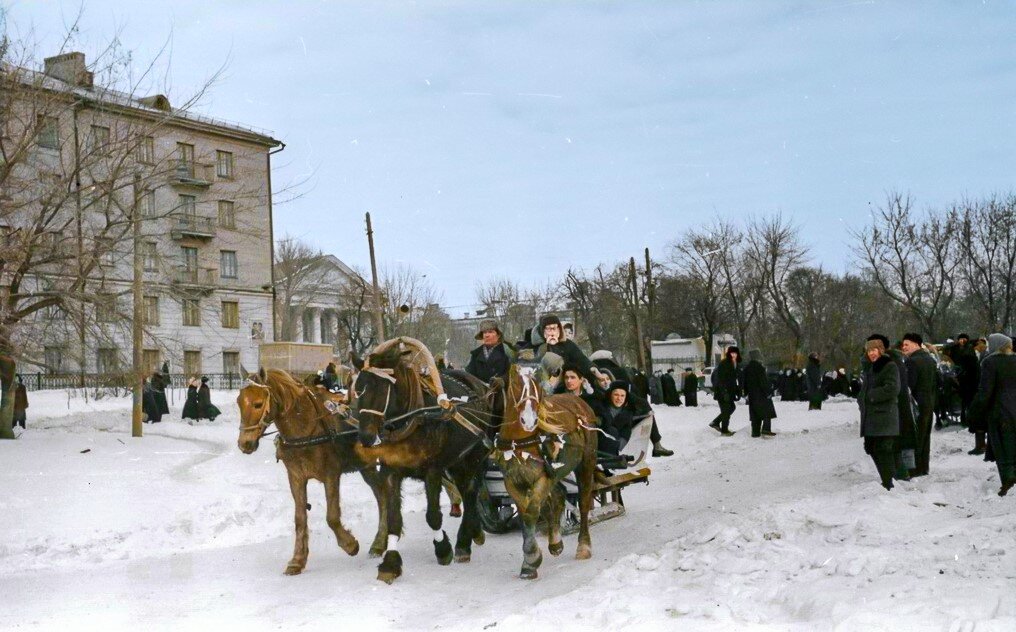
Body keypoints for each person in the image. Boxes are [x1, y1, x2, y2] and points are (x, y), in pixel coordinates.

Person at [969, 333, 1016, 496]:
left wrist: (974, 413)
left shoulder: (989, 362)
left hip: (1000, 413)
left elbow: (985, 392)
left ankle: (1009, 485)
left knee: (1003, 451)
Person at [858, 338, 900, 491]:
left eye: (874, 350)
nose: (871, 354)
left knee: (883, 449)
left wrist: (871, 395)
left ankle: (889, 482)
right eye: (868, 351)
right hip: (872, 418)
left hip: (885, 417)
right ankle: (887, 479)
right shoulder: (871, 368)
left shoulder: (889, 366)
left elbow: (893, 388)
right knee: (871, 448)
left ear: (881, 350)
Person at [535, 314, 608, 391]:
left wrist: (594, 370)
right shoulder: (536, 347)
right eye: (548, 329)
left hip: (565, 385)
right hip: (542, 388)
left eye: (555, 328)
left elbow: (582, 360)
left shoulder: (567, 344)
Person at [902, 332, 937, 477]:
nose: (903, 348)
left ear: (916, 344)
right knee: (925, 436)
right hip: (929, 402)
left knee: (915, 437)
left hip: (916, 405)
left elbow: (910, 385)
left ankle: (914, 469)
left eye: (906, 344)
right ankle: (923, 467)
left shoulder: (912, 361)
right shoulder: (929, 359)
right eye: (903, 345)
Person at [465, 318, 515, 384]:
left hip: (503, 392)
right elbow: (469, 375)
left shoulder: (507, 352)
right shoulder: (476, 354)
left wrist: (502, 380)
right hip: (481, 392)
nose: (487, 335)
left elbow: (514, 374)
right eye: (484, 332)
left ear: (498, 335)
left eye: (490, 332)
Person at [709, 346, 741, 436]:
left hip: (730, 392)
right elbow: (720, 380)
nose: (734, 355)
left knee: (731, 408)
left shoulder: (735, 364)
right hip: (722, 392)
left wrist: (737, 392)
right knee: (726, 410)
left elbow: (734, 380)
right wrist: (724, 392)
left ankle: (715, 422)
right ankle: (724, 430)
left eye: (736, 353)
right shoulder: (724, 363)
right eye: (732, 353)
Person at [743, 349, 776, 438]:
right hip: (761, 394)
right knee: (767, 410)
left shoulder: (747, 368)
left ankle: (755, 432)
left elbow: (744, 382)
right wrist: (768, 391)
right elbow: (763, 382)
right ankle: (766, 429)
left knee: (754, 413)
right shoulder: (759, 368)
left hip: (752, 394)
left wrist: (746, 393)